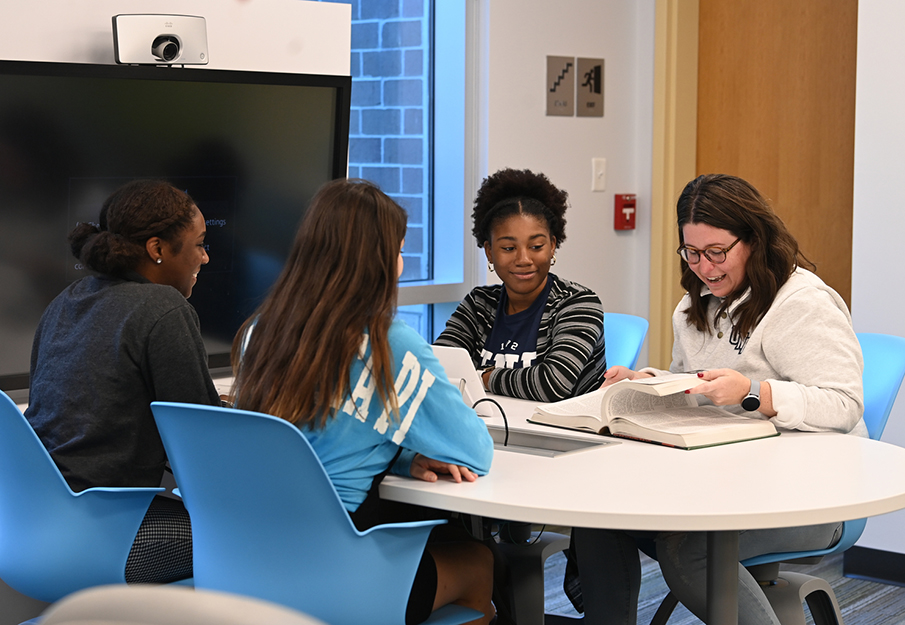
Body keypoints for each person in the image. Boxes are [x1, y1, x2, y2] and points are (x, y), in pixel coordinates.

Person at [567, 173, 865, 625]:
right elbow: (695, 389)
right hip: (720, 484)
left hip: (814, 495)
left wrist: (753, 393)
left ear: (754, 240)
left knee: (691, 547)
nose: (705, 268)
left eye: (717, 253)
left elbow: (844, 405)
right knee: (599, 515)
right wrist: (646, 383)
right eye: (692, 253)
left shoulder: (800, 302)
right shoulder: (693, 309)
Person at [230, 178, 496, 625]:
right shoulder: (390, 347)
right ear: (374, 263)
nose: (400, 263)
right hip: (336, 575)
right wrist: (407, 448)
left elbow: (312, 440)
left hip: (247, 561)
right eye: (397, 252)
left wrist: (399, 458)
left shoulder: (259, 333)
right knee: (478, 561)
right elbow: (476, 452)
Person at [25, 179, 221, 584]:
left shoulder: (68, 299)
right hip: (102, 536)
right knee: (257, 535)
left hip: (33, 524)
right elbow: (205, 448)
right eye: (199, 243)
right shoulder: (164, 308)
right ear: (157, 249)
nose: (204, 258)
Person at [435, 167, 606, 402]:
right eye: (508, 248)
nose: (524, 259)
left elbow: (551, 384)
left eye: (536, 246)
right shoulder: (479, 304)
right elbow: (440, 370)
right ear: (489, 252)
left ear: (553, 245)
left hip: (565, 436)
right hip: (490, 428)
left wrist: (485, 378)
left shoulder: (579, 303)